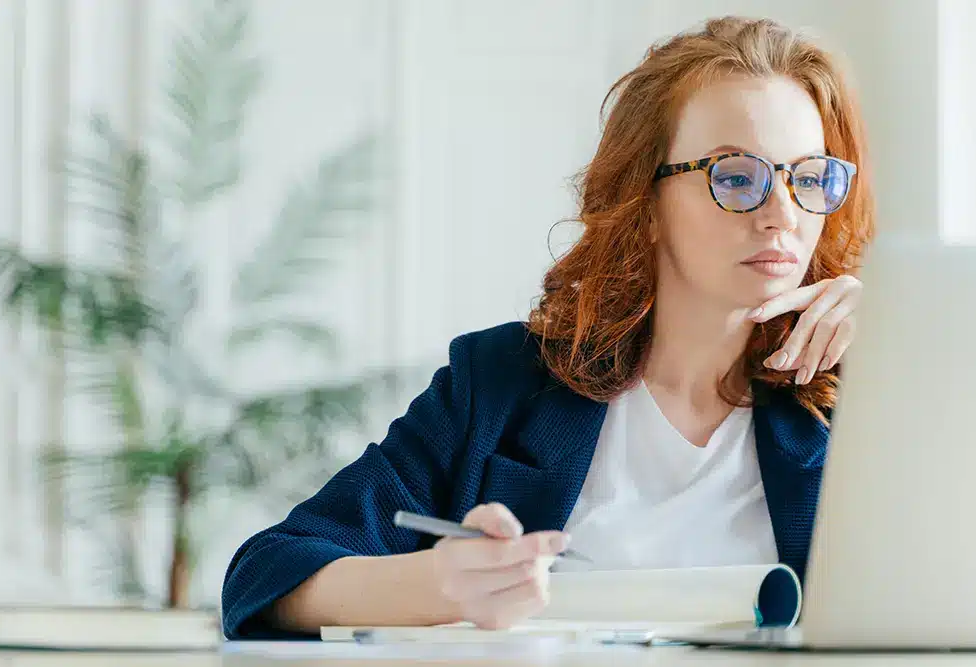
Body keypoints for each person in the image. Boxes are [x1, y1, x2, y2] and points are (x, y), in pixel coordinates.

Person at [220, 15, 874, 639]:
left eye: (810, 178)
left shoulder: (862, 393)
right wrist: (436, 585)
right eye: (736, 177)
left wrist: (901, 357)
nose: (782, 215)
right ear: (644, 202)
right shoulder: (503, 383)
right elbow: (264, 573)